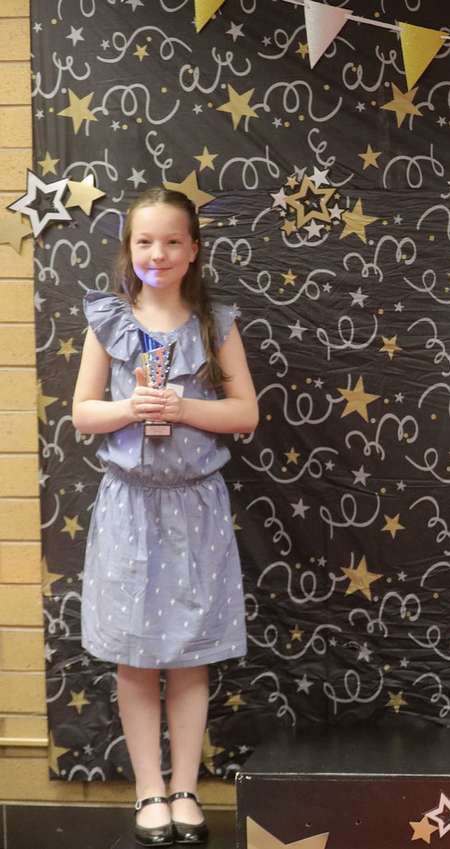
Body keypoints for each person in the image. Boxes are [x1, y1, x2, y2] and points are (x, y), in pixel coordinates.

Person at [72, 188, 258, 846]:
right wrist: (131, 407)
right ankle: (148, 788)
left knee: (188, 654)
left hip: (194, 504)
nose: (159, 253)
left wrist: (183, 407)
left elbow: (245, 412)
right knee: (134, 654)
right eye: (145, 241)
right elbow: (83, 412)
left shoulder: (215, 323)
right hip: (129, 506)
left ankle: (185, 787)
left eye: (173, 241)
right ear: (129, 249)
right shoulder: (109, 321)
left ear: (194, 249)